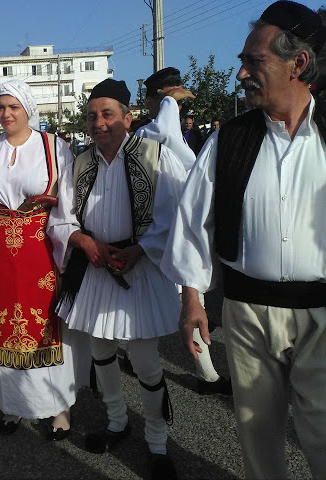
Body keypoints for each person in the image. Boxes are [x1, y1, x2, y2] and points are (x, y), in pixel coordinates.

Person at [162, 2, 326, 478]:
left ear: (299, 64)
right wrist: (191, 298)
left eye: (254, 62)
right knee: (257, 433)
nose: (240, 73)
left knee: (322, 433)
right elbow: (194, 224)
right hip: (248, 312)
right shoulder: (229, 139)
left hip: (323, 312)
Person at [48, 79, 186, 477]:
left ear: (128, 117)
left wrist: (140, 250)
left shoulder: (156, 155)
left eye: (108, 114)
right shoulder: (80, 162)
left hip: (139, 266)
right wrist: (82, 241)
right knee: (101, 352)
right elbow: (62, 217)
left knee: (144, 362)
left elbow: (174, 216)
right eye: (92, 116)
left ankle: (158, 444)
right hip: (95, 267)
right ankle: (116, 423)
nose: (99, 123)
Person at [0, 79, 86, 440]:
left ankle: (59, 406)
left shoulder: (54, 147)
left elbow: (67, 201)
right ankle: (13, 405)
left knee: (47, 321)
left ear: (28, 109)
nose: (6, 114)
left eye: (13, 107)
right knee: (3, 321)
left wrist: (65, 248)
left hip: (41, 245)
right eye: (1, 108)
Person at [136, 67, 232, 396]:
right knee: (172, 303)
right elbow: (162, 128)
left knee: (190, 301)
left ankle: (206, 374)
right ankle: (204, 376)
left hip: (180, 234)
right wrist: (169, 102)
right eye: (173, 102)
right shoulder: (147, 134)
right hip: (156, 236)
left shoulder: (171, 139)